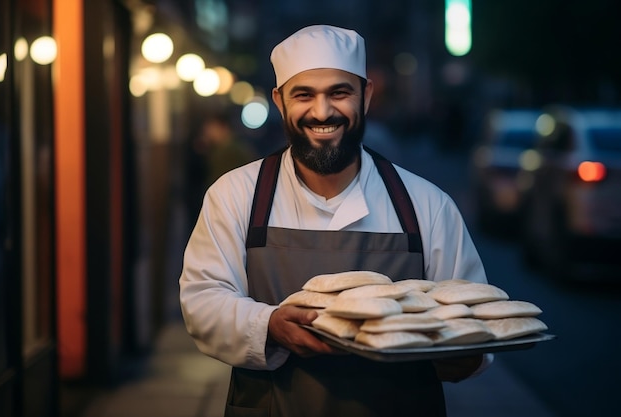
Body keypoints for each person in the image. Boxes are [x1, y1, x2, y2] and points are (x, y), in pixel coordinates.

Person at [180, 24, 491, 417]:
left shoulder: (428, 205)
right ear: (279, 101)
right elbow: (202, 300)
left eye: (339, 93)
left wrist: (463, 355)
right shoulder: (235, 195)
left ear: (367, 95)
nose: (322, 112)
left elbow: (472, 320)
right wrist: (268, 323)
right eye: (304, 95)